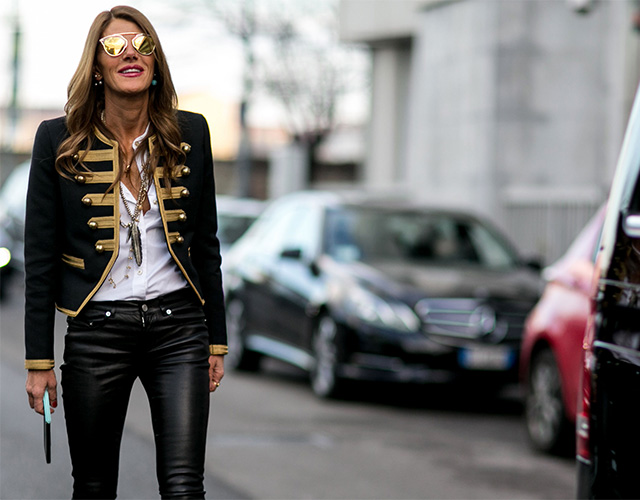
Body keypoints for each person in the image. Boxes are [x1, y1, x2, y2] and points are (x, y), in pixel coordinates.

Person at [24, 6, 227, 499]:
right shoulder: (57, 139)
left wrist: (216, 340)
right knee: (94, 486)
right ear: (97, 66)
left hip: (179, 328)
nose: (130, 53)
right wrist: (38, 360)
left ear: (155, 63)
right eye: (115, 46)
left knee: (184, 487)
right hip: (97, 331)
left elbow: (206, 243)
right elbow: (40, 258)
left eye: (142, 44)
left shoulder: (191, 133)